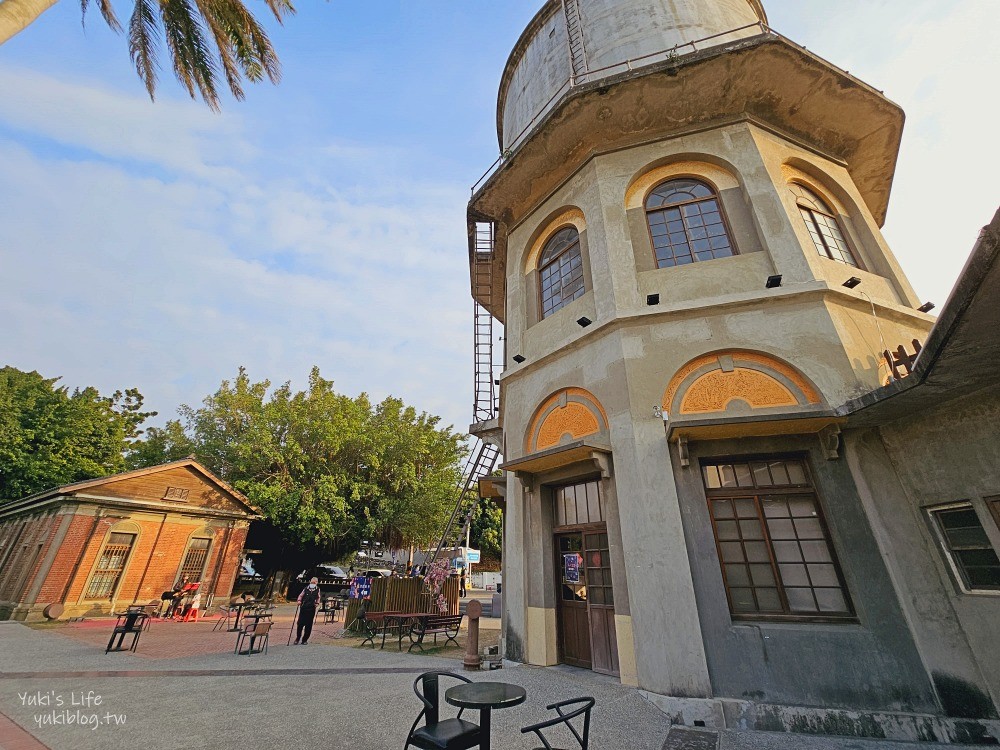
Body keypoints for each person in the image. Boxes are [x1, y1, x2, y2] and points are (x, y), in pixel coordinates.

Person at [295, 577, 321, 645]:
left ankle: (305, 640)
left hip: (311, 609)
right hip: (304, 608)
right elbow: (300, 595)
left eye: (314, 583)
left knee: (308, 625)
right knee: (300, 624)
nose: (313, 584)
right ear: (310, 582)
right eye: (312, 582)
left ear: (316, 583)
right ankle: (297, 638)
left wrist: (317, 603)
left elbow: (318, 597)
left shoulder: (317, 589)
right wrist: (299, 601)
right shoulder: (306, 588)